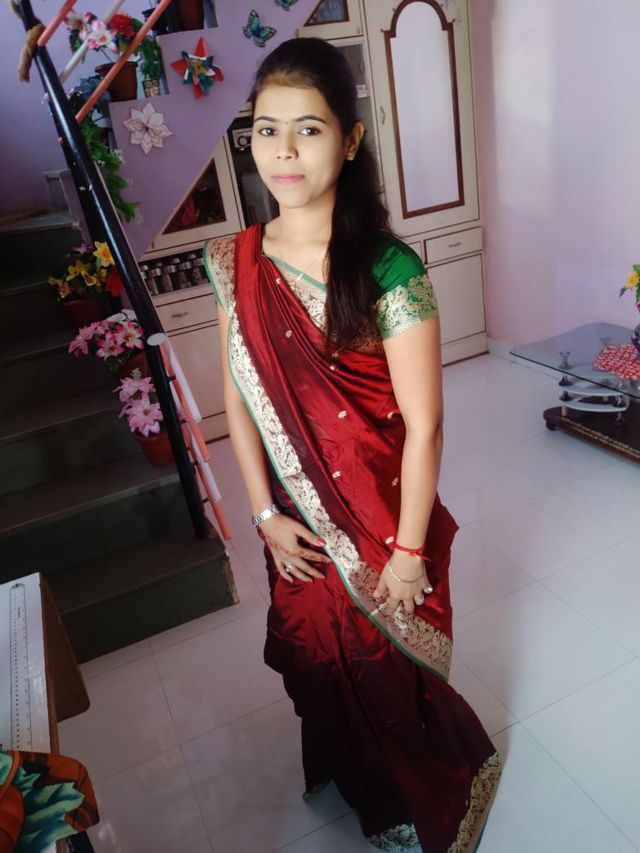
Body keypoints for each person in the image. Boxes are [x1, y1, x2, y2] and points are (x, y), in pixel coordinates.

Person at [203, 37, 502, 853]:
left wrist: (407, 552)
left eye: (308, 129)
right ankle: (355, 774)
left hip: (379, 514)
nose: (284, 152)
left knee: (379, 662)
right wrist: (263, 513)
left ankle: (417, 793)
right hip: (292, 518)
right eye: (267, 131)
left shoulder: (389, 269)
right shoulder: (234, 262)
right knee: (313, 653)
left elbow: (425, 424)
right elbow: (237, 398)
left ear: (350, 139)